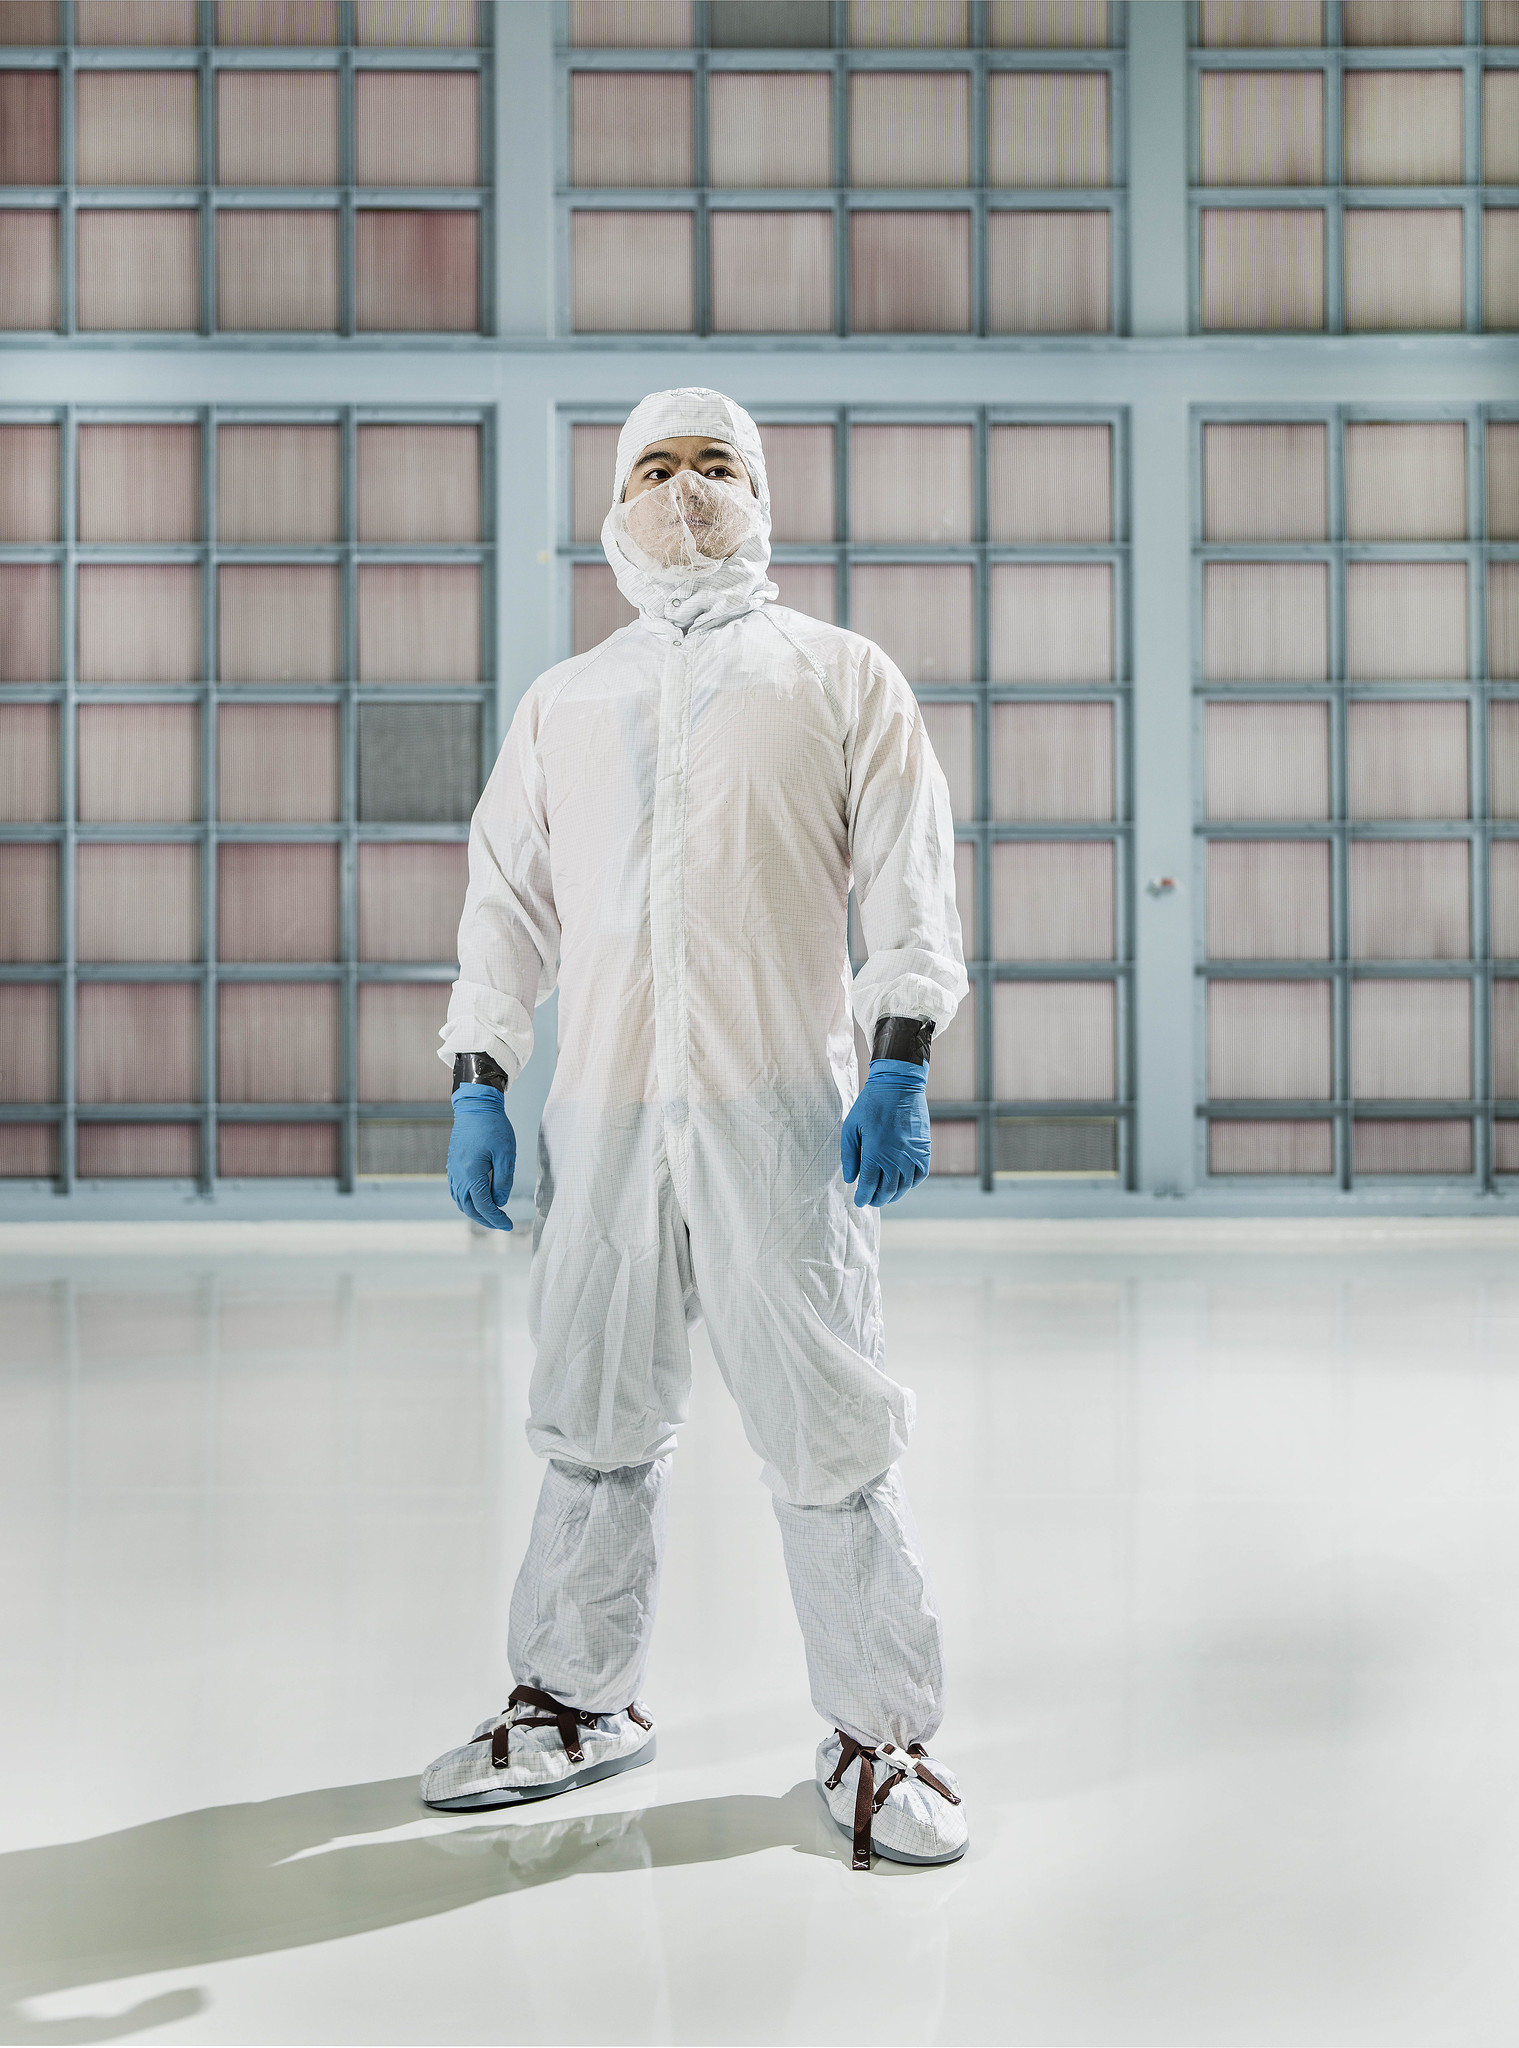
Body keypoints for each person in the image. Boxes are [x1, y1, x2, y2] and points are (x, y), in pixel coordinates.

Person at [422, 389, 969, 1871]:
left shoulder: (838, 677)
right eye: (656, 467)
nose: (684, 491)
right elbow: (506, 908)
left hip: (781, 1111)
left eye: (715, 466)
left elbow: (914, 889)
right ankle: (576, 1702)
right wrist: (482, 1077)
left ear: (761, 494)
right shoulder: (567, 702)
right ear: (614, 501)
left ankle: (878, 1735)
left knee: (829, 1427)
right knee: (592, 1416)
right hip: (602, 1113)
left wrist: (900, 1058)